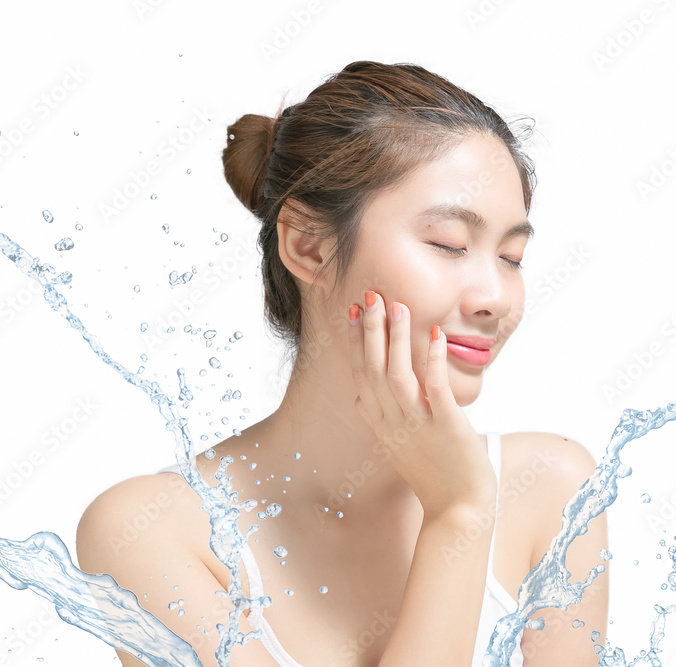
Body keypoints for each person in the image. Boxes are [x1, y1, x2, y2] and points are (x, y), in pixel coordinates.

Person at [76, 60, 609, 667]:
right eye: (449, 246)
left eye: (511, 256)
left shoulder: (549, 491)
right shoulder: (153, 533)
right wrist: (458, 517)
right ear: (309, 244)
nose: (495, 298)